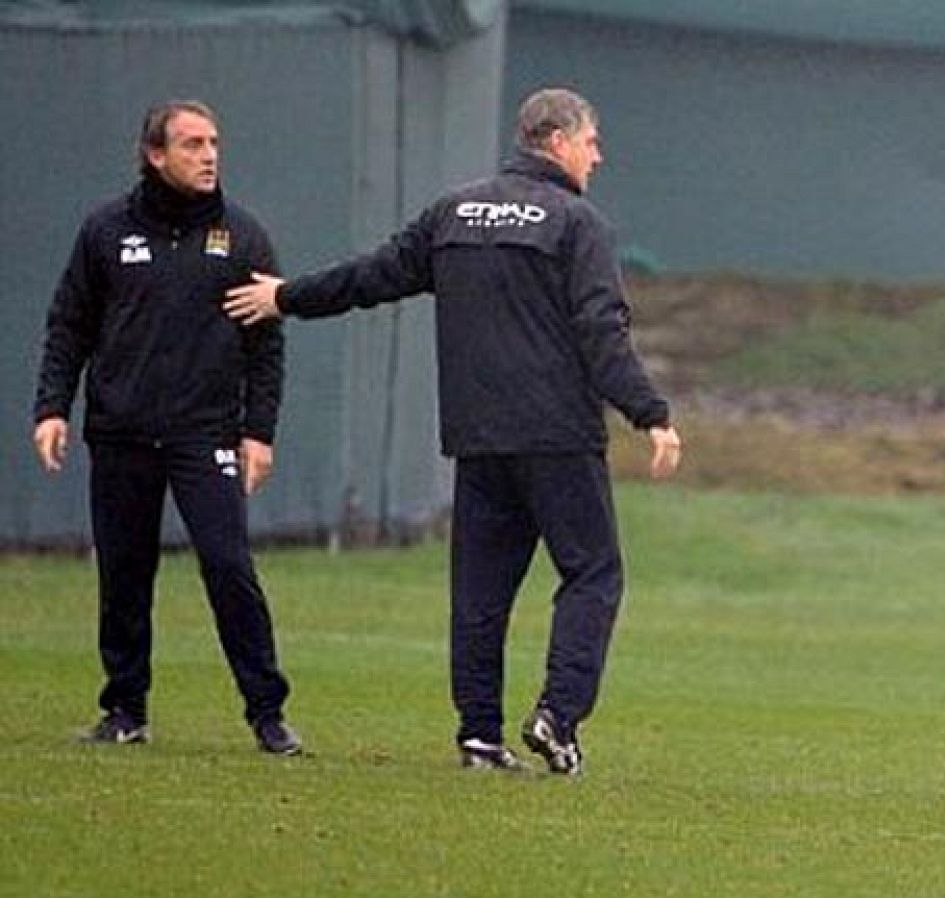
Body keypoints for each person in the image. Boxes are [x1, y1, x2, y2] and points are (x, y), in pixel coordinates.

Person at [223, 87, 683, 775]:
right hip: (557, 438)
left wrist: (286, 297)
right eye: (592, 142)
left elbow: (371, 276)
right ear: (558, 141)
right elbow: (600, 329)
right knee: (592, 573)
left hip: (478, 438)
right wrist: (650, 412)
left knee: (479, 594)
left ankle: (479, 736)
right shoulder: (576, 222)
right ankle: (557, 716)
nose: (598, 156)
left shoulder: (455, 212)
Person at [33, 100, 302, 755]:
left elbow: (266, 346)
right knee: (124, 575)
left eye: (213, 143)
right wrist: (51, 408)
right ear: (156, 155)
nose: (209, 156)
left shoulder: (241, 236)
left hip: (204, 435)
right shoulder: (105, 231)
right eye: (192, 144)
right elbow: (69, 325)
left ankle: (267, 714)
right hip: (121, 431)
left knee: (229, 566)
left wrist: (258, 432)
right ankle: (125, 709)